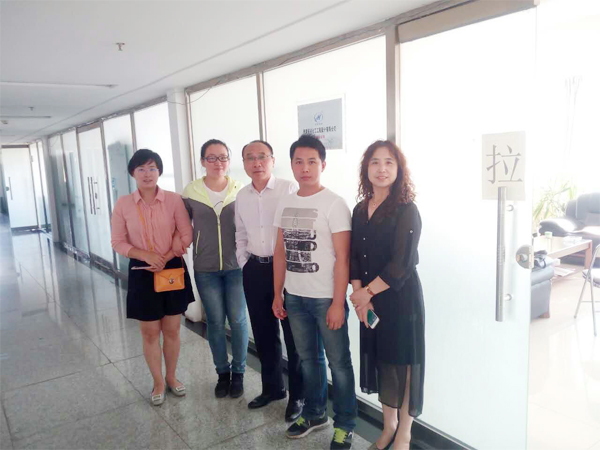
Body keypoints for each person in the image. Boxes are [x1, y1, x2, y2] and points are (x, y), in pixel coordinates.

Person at [273, 134, 357, 450]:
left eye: (312, 161)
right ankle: (315, 413)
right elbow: (280, 252)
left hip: (325, 298)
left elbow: (343, 258)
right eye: (299, 162)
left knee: (339, 363)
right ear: (292, 165)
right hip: (294, 297)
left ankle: (345, 424)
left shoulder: (334, 203)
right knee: (308, 360)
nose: (305, 168)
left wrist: (337, 302)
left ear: (323, 164)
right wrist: (277, 293)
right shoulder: (286, 201)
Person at [349, 141, 425, 450]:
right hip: (369, 298)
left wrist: (365, 293)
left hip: (401, 299)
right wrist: (359, 294)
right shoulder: (359, 209)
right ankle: (388, 425)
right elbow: (354, 256)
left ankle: (404, 433)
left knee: (402, 364)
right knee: (381, 360)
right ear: (366, 169)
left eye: (389, 162)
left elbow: (401, 265)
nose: (382, 169)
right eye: (375, 162)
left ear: (399, 169)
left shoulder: (407, 209)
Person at [111, 149, 193, 406]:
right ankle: (157, 382)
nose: (147, 174)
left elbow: (186, 234)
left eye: (152, 168)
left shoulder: (174, 200)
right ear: (132, 173)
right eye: (141, 169)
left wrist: (164, 257)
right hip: (142, 272)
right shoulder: (123, 204)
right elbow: (117, 242)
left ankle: (171, 377)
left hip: (171, 269)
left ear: (159, 171)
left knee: (172, 329)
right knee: (149, 332)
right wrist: (145, 255)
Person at [235, 139, 304, 422]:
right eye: (250, 157)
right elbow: (240, 233)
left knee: (294, 335)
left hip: (286, 271)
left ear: (273, 161)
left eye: (262, 156)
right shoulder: (242, 195)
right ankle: (273, 388)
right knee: (263, 333)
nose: (257, 162)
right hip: (255, 269)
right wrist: (244, 262)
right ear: (244, 164)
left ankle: (298, 395)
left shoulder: (289, 189)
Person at [181, 139, 248, 399]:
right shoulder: (191, 191)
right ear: (203, 161)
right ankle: (222, 373)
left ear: (229, 161)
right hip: (206, 268)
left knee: (238, 321)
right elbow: (182, 226)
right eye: (211, 157)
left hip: (236, 266)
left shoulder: (240, 190)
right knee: (216, 322)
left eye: (223, 157)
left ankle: (239, 372)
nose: (218, 162)